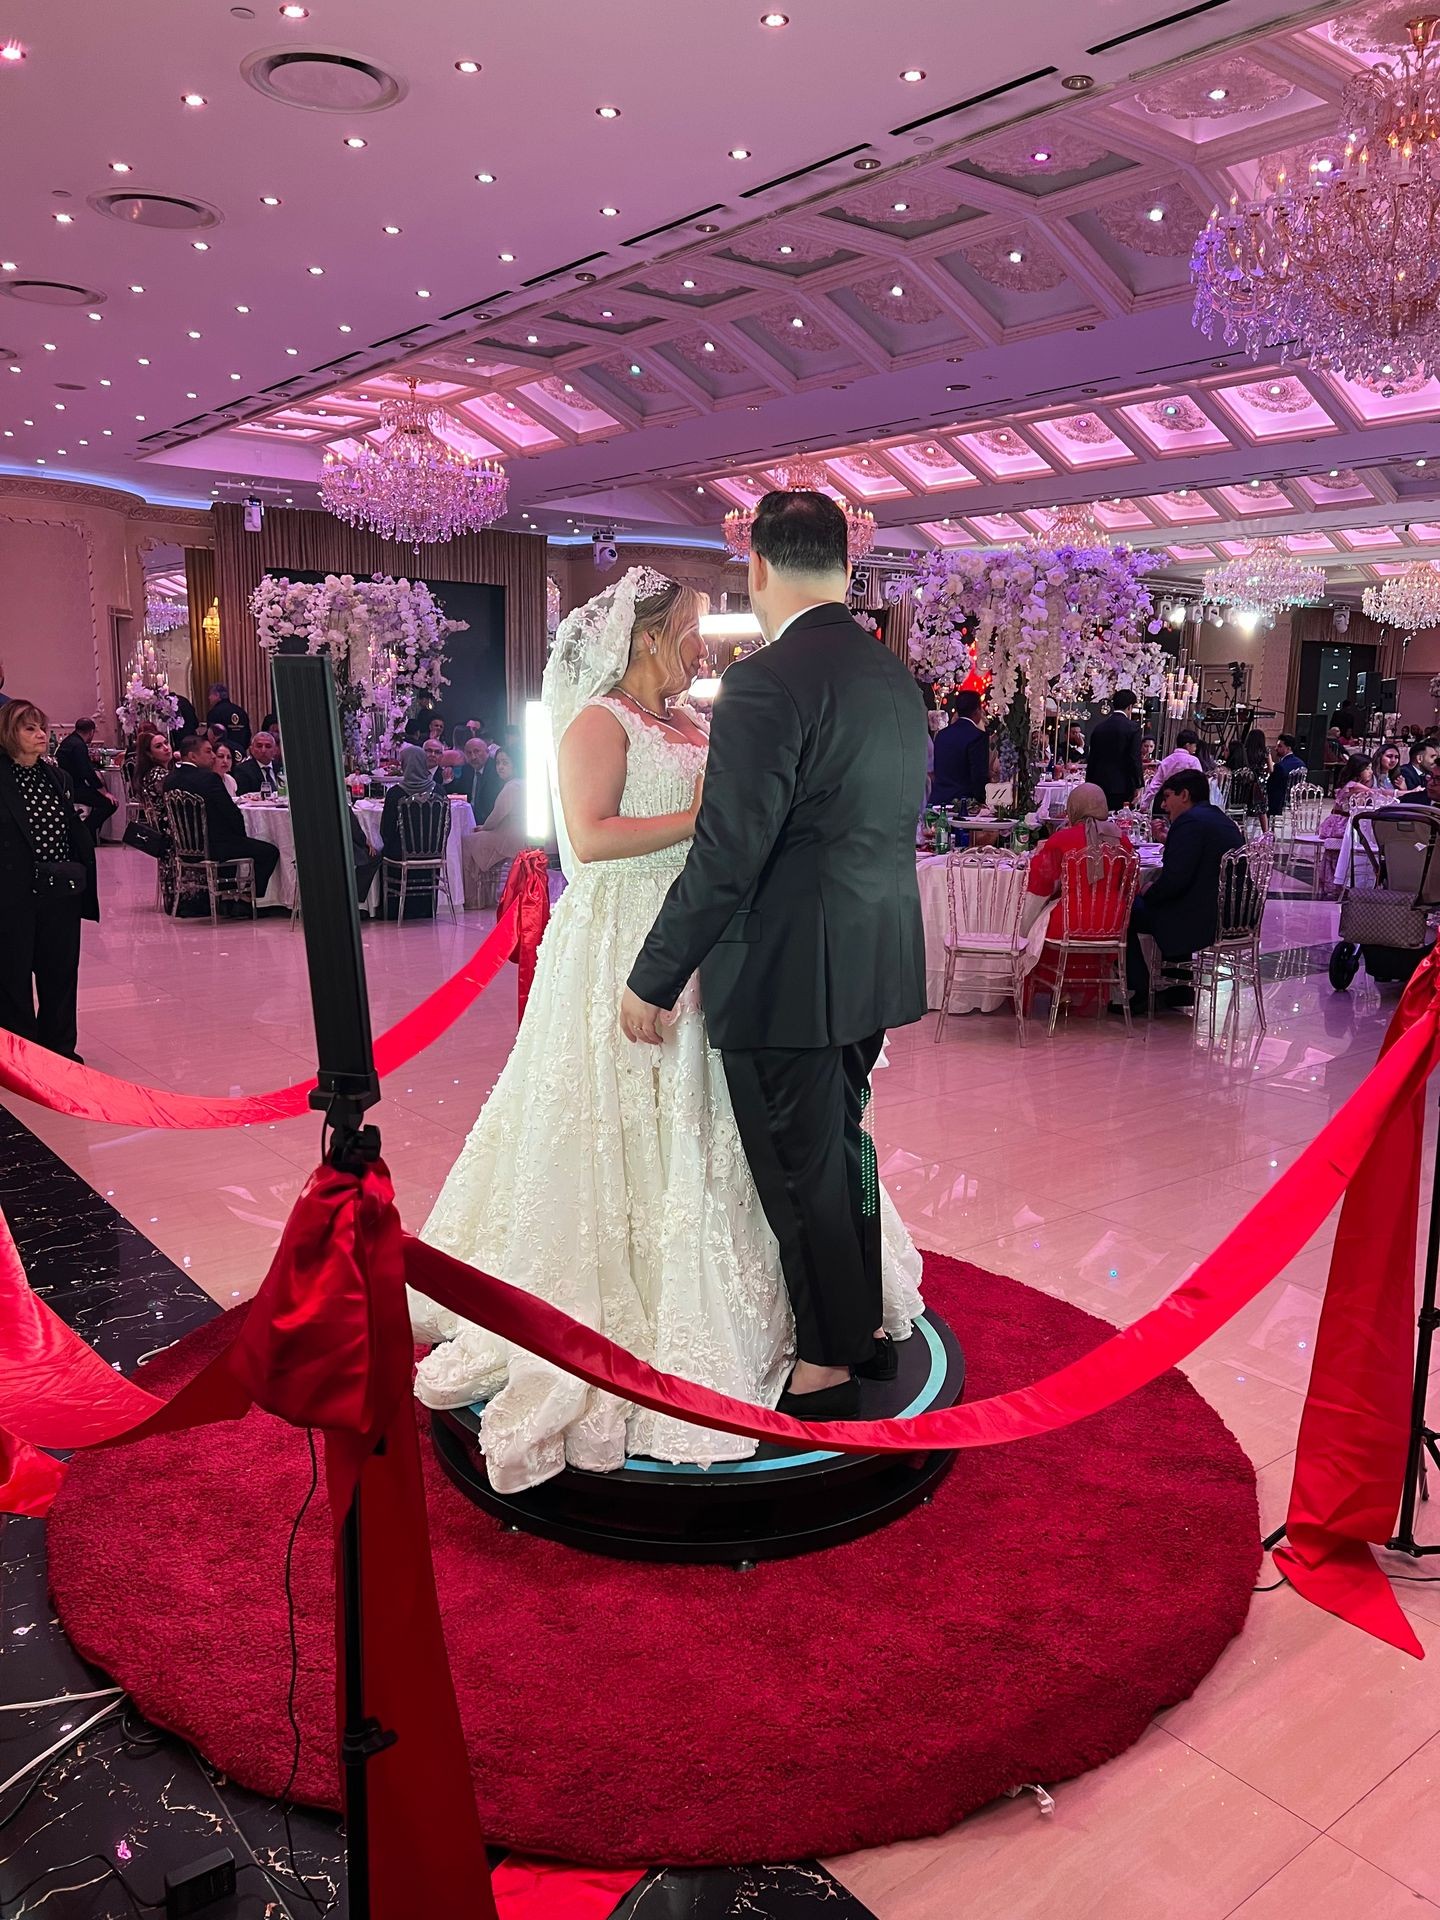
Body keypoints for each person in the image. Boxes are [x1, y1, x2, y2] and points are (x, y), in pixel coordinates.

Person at [408, 554, 922, 1483]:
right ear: (644, 634)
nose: (703, 641)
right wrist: (702, 818)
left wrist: (725, 824)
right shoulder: (598, 722)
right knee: (627, 1130)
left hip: (711, 938)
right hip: (626, 938)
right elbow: (591, 836)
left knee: (725, 1136)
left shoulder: (693, 717)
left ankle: (773, 1307)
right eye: (689, 626)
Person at [625, 489, 929, 1419]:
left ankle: (830, 1355)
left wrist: (654, 973)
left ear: (756, 566)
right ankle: (863, 1324)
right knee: (840, 1150)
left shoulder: (765, 680)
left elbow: (730, 850)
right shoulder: (891, 675)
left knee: (799, 1167)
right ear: (846, 564)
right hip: (871, 954)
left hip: (789, 966)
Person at [0, 700, 98, 1061]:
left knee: (60, 970)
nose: (42, 735)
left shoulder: (56, 776)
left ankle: (58, 1049)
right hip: (12, 893)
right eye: (30, 729)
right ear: (10, 734)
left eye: (42, 728)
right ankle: (19, 1054)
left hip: (60, 889)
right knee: (12, 975)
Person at [1124, 770, 1243, 1012]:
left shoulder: (1189, 823)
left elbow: (1175, 881)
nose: (1165, 805)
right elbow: (1201, 859)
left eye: (1168, 797)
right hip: (1233, 913)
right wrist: (1170, 841)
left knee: (1125, 911)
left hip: (1205, 917)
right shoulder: (1218, 818)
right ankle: (1179, 989)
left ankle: (1140, 989)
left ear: (1185, 795)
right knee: (1171, 901)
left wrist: (1148, 891)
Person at [163, 735, 280, 901]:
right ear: (192, 756)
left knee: (232, 842)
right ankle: (248, 899)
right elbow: (231, 813)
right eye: (208, 751)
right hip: (214, 848)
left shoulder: (170, 779)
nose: (212, 756)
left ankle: (227, 898)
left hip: (184, 848)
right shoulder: (208, 779)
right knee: (269, 852)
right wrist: (241, 835)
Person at [1021, 783, 1132, 936]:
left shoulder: (1061, 839)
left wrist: (1023, 931)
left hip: (1066, 927)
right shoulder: (1121, 839)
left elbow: (1039, 889)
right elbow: (1132, 887)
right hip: (1113, 927)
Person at [460, 749, 527, 907]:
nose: (500, 767)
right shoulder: (521, 783)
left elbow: (496, 816)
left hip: (511, 836)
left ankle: (475, 899)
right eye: (498, 763)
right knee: (476, 838)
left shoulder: (512, 786)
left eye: (505, 763)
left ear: (515, 765)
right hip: (516, 833)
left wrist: (484, 827)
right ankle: (484, 895)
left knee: (468, 841)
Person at [55, 719, 116, 843]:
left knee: (99, 801)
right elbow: (86, 772)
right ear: (91, 732)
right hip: (74, 789)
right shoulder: (79, 746)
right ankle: (85, 831)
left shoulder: (69, 741)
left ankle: (88, 833)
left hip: (66, 786)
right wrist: (104, 792)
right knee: (110, 804)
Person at [929, 690, 988, 809]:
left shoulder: (942, 734)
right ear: (977, 711)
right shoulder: (977, 736)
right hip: (963, 804)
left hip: (938, 799)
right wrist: (981, 800)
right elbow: (978, 774)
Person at [1086, 689, 1143, 809]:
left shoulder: (1099, 728)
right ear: (1130, 707)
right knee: (1120, 820)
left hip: (1098, 783)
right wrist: (1139, 784)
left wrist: (1089, 783)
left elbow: (1092, 758)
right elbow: (1134, 758)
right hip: (1122, 785)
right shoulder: (1133, 728)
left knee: (1100, 817)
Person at [1139, 727, 1204, 809]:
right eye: (1194, 746)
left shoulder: (1167, 761)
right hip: (1187, 802)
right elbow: (1200, 784)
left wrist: (1144, 804)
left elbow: (1154, 785)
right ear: (1188, 745)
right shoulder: (1193, 761)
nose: (1195, 749)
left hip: (1168, 802)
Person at [451, 734, 503, 823]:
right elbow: (459, 792)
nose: (473, 757)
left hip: (490, 821)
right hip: (468, 819)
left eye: (476, 751)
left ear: (487, 752)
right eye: (469, 753)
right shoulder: (467, 769)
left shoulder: (496, 770)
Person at [204, 683, 251, 755]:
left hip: (223, 754)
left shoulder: (215, 712)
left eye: (210, 695)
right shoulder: (241, 711)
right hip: (241, 752)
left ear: (217, 695)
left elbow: (212, 735)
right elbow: (248, 734)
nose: (209, 698)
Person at [232, 730, 282, 797]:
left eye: (268, 746)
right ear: (251, 749)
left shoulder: (282, 767)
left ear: (275, 750)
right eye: (259, 746)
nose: (263, 750)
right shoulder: (242, 770)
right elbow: (244, 797)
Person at [1267, 734, 1307, 813]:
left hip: (1280, 800)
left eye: (1279, 746)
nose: (1276, 748)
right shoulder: (1301, 763)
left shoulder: (1280, 766)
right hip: (1294, 798)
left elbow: (1271, 785)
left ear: (1288, 748)